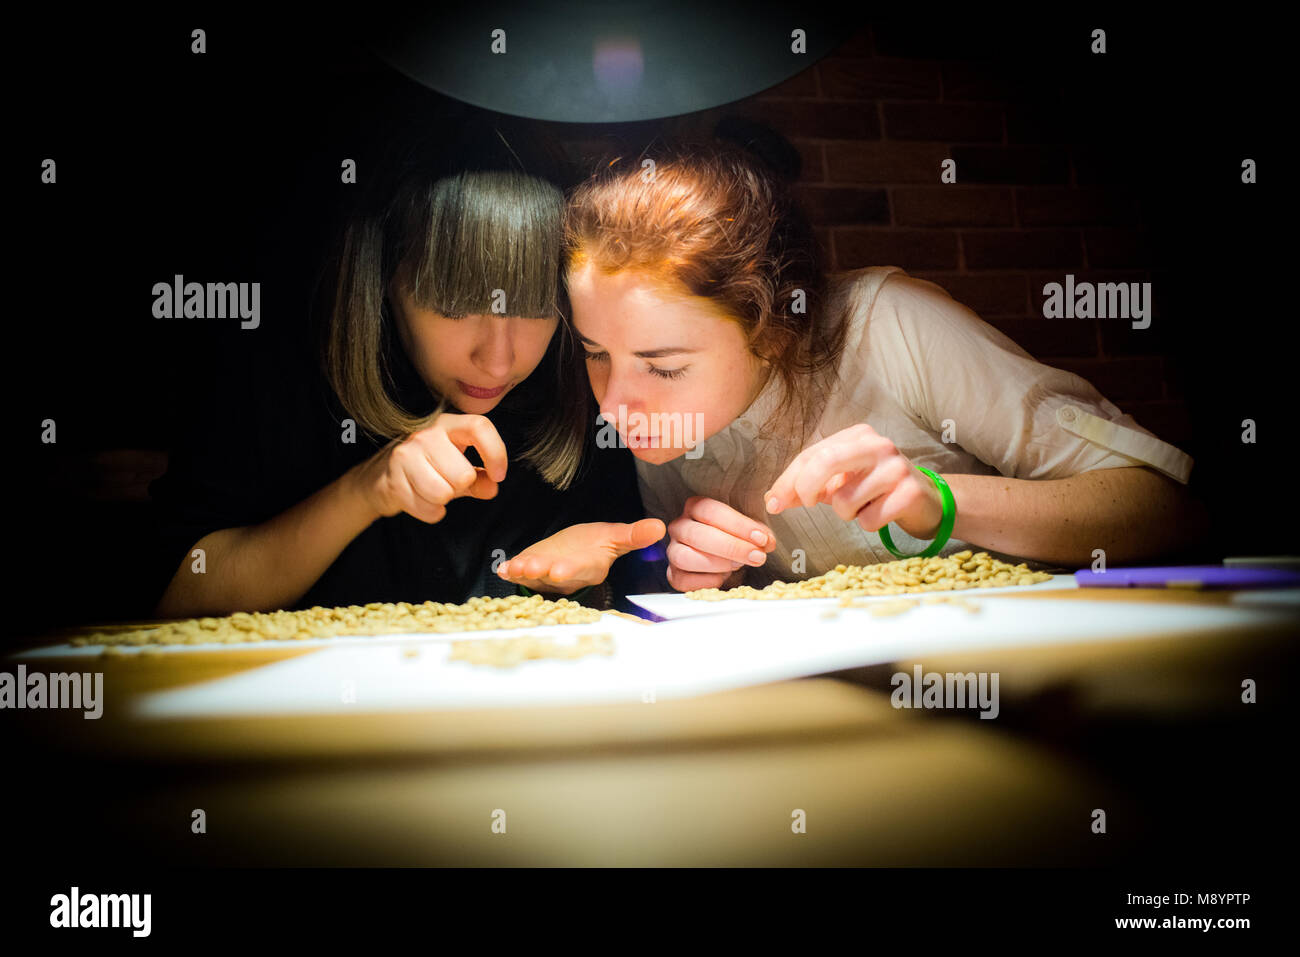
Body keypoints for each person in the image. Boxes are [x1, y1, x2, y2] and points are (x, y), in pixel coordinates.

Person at [550, 133, 1209, 593]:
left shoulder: (889, 323)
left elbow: (1171, 507)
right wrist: (695, 567)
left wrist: (943, 500)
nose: (614, 407)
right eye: (597, 354)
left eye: (663, 367)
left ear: (772, 329)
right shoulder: (656, 428)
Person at [150, 113, 661, 618]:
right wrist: (365, 491)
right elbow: (180, 594)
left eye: (534, 307)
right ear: (386, 283)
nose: (498, 359)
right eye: (455, 307)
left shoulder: (592, 380)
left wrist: (577, 580)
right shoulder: (281, 373)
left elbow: (636, 587)